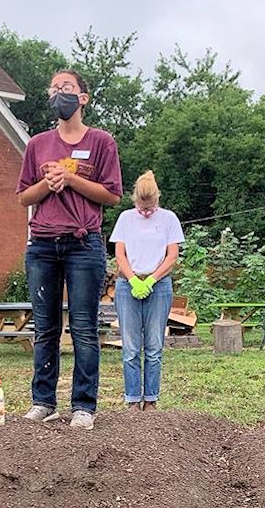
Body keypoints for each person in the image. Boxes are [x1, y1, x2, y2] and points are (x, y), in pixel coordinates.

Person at [16, 69, 122, 430]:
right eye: (54, 88)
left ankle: (84, 406)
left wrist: (72, 177)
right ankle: (44, 401)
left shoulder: (102, 142)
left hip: (83, 243)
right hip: (43, 244)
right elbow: (23, 197)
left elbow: (111, 194)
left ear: (83, 98)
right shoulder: (37, 144)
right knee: (44, 328)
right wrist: (48, 183)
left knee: (83, 326)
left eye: (67, 87)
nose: (59, 92)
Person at [110, 170, 183, 411]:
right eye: (142, 206)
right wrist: (133, 279)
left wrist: (151, 279)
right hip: (127, 285)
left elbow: (172, 255)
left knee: (153, 346)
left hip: (159, 286)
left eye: (150, 206)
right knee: (130, 347)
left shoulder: (169, 219)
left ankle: (151, 399)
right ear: (135, 201)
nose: (146, 211)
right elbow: (119, 253)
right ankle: (132, 399)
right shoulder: (125, 219)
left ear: (157, 199)